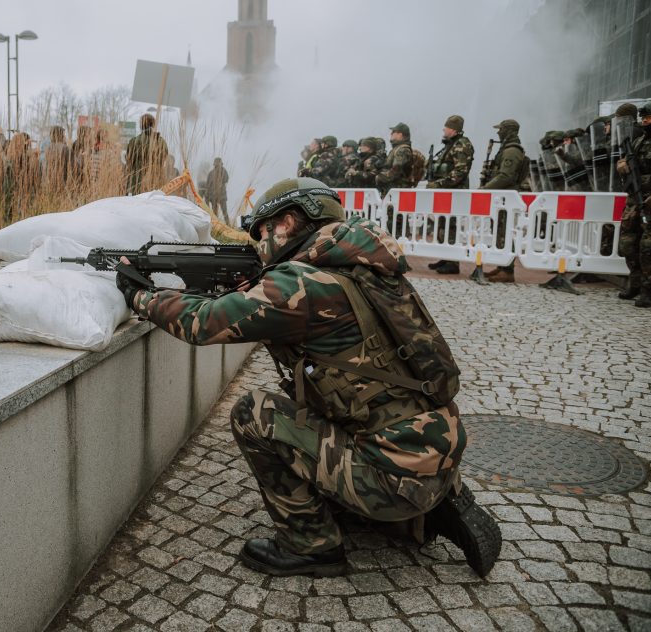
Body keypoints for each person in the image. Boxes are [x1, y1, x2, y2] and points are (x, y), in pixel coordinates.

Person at [115, 177, 501, 578]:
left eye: (260, 231)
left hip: (395, 474)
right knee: (314, 394)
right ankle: (436, 504)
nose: (257, 243)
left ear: (285, 223)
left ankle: (311, 546)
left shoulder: (300, 283)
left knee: (254, 413)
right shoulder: (365, 269)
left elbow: (203, 323)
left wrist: (141, 295)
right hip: (436, 447)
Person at [616, 99, 651, 308]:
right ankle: (635, 283)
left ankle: (648, 290)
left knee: (649, 248)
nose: (645, 121)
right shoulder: (639, 141)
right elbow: (631, 167)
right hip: (635, 201)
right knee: (628, 244)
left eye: (649, 118)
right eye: (643, 118)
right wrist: (623, 167)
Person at [480, 119, 531, 283]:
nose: (498, 133)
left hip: (506, 197)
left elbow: (506, 176)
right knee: (500, 232)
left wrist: (486, 189)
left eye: (500, 129)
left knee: (505, 233)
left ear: (508, 131)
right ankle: (502, 266)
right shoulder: (507, 149)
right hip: (502, 198)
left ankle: (507, 270)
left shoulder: (511, 151)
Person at [426, 115, 475, 275]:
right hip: (446, 193)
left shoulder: (461, 145)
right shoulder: (450, 145)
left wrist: (438, 184)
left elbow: (459, 172)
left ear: (453, 129)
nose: (443, 130)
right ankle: (446, 257)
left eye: (446, 127)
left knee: (451, 226)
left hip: (455, 193)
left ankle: (453, 262)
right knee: (442, 225)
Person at [126, 113, 169, 195]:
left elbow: (129, 160)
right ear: (153, 124)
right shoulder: (160, 141)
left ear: (141, 125)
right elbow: (164, 157)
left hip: (138, 181)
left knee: (139, 204)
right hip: (156, 178)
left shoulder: (134, 141)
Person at [376, 123, 415, 196]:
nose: (391, 133)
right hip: (392, 191)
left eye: (393, 132)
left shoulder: (402, 150)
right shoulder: (396, 149)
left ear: (400, 135)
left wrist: (378, 177)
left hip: (397, 193)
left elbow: (396, 171)